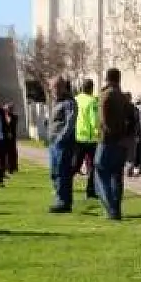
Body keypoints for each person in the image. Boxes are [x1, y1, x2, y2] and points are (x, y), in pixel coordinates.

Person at [95, 67, 139, 220]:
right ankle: (117, 208)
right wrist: (126, 135)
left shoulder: (105, 95)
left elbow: (103, 120)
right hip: (121, 142)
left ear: (107, 79)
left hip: (107, 141)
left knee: (101, 173)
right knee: (116, 176)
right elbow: (133, 119)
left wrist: (108, 132)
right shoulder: (123, 97)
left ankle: (111, 208)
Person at [46, 76, 78, 212]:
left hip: (63, 143)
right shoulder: (55, 102)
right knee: (54, 172)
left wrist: (61, 137)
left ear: (62, 87)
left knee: (62, 171)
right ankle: (60, 198)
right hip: (53, 143)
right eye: (52, 87)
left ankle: (63, 202)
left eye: (55, 87)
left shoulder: (68, 102)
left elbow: (70, 122)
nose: (53, 90)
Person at [74, 78, 100, 203]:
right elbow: (94, 120)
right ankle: (90, 191)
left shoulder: (76, 100)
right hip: (90, 139)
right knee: (92, 166)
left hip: (77, 137)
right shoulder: (92, 101)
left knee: (75, 165)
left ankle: (63, 187)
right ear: (91, 88)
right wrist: (98, 132)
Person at [2, 103, 21, 177]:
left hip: (12, 137)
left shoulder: (14, 117)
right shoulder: (3, 117)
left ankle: (13, 167)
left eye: (10, 109)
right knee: (6, 153)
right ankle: (7, 167)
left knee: (12, 152)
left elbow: (12, 125)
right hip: (5, 137)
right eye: (8, 109)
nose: (9, 110)